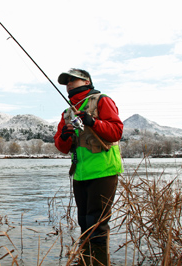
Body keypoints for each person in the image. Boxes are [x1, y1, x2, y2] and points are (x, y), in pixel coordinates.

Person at [54, 68, 123, 265]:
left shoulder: (102, 100)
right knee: (84, 222)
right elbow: (61, 146)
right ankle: (86, 260)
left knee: (97, 224)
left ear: (86, 82)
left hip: (103, 171)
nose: (68, 84)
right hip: (80, 174)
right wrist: (65, 136)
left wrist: (92, 121)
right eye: (66, 81)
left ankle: (98, 260)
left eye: (72, 80)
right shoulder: (68, 112)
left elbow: (116, 131)